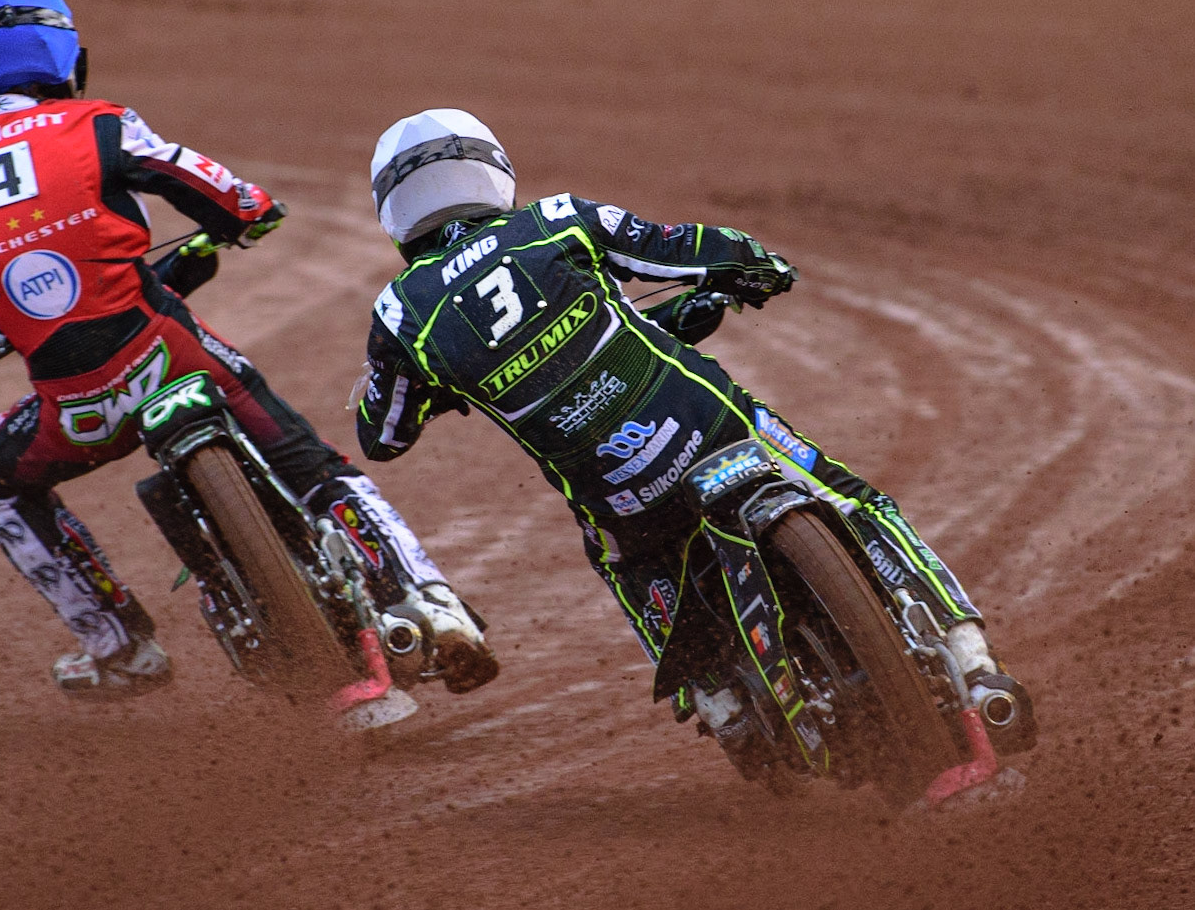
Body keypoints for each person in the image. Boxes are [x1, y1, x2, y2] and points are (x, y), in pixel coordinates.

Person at [0, 0, 497, 700]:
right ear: (68, 59)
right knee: (310, 463)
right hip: (169, 353)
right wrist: (249, 215)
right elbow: (208, 184)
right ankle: (429, 597)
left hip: (76, 408)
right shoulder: (99, 125)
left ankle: (114, 641)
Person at [354, 108, 1036, 765]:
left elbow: (382, 434)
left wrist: (440, 384)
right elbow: (683, 248)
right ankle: (973, 662)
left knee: (620, 559)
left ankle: (718, 701)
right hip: (712, 429)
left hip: (624, 501)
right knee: (859, 500)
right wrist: (758, 265)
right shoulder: (556, 220)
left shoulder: (402, 313)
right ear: (489, 169)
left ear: (397, 213)